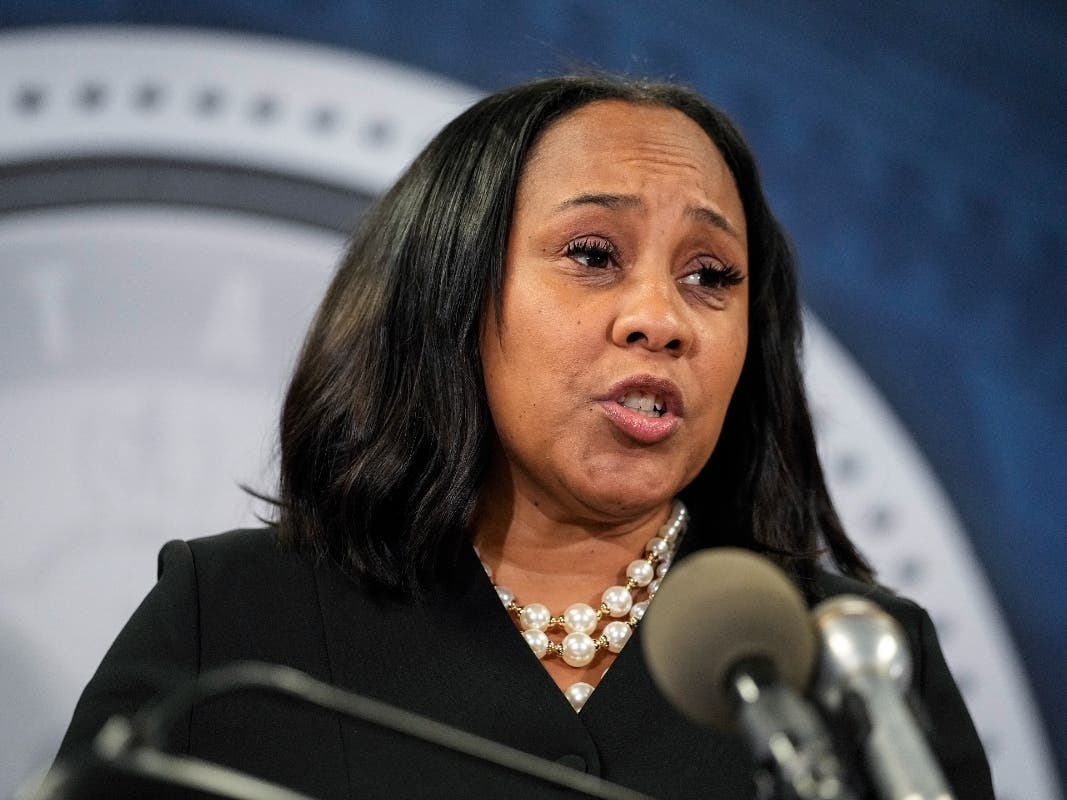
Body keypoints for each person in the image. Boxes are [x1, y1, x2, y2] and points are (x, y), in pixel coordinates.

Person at [53, 74, 994, 799]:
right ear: (449, 291)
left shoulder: (856, 668)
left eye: (711, 274)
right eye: (592, 254)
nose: (660, 318)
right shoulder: (234, 619)